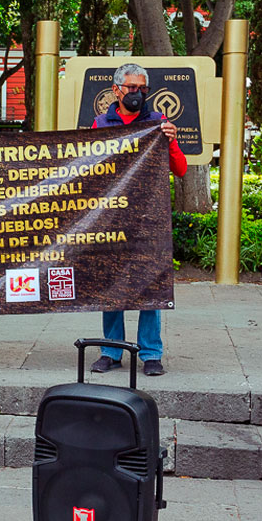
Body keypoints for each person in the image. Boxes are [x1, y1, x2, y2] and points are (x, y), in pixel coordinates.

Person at [88, 63, 187, 376]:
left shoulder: (158, 122)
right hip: (112, 219)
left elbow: (181, 169)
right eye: (131, 88)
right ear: (116, 89)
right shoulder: (101, 123)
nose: (137, 93)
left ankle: (151, 353)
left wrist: (170, 140)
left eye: (142, 88)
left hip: (148, 220)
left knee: (150, 285)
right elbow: (88, 167)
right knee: (111, 284)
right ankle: (111, 351)